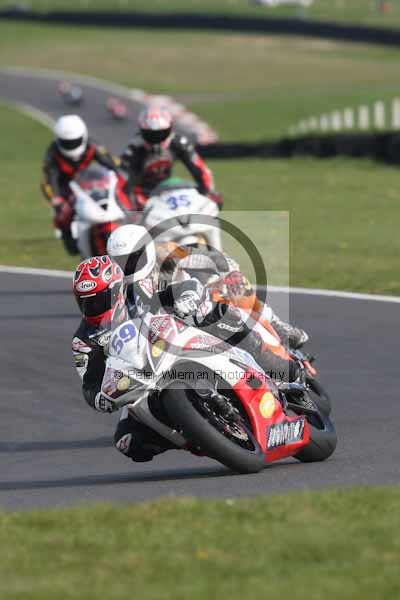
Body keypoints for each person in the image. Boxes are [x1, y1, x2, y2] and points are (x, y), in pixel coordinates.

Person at [41, 114, 124, 255]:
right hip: (64, 186)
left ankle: (129, 219)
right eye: (67, 143)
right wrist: (57, 200)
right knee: (64, 213)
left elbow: (112, 164)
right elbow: (49, 180)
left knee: (120, 196)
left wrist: (119, 179)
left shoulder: (93, 146)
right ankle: (68, 238)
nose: (71, 146)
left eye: (75, 142)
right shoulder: (52, 154)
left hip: (86, 181)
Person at [120, 106, 222, 210]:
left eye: (161, 133)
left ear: (170, 128)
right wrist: (130, 207)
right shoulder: (134, 148)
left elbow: (200, 170)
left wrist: (208, 193)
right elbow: (123, 181)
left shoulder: (179, 143)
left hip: (166, 192)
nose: (156, 139)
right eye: (150, 134)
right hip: (140, 196)